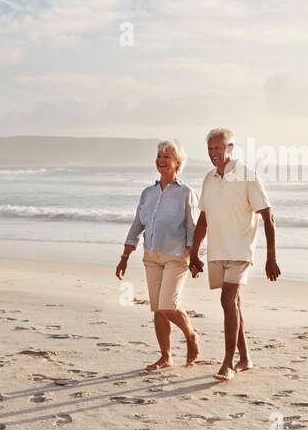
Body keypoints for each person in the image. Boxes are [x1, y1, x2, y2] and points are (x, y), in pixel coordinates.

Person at [189, 127, 280, 382]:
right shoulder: (209, 179)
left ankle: (228, 361)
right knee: (233, 303)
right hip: (217, 250)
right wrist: (194, 253)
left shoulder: (246, 175)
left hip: (240, 249)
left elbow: (268, 215)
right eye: (210, 149)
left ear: (230, 148)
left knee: (228, 300)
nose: (214, 153)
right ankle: (245, 357)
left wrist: (270, 257)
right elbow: (203, 219)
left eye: (219, 148)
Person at [116, 139, 201, 370]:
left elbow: (193, 227)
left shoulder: (186, 193)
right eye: (159, 156)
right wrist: (125, 256)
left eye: (167, 157)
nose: (161, 160)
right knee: (157, 309)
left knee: (167, 305)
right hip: (151, 256)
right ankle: (166, 357)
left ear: (177, 163)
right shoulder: (148, 193)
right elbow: (137, 225)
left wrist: (195, 257)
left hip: (176, 256)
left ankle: (191, 335)